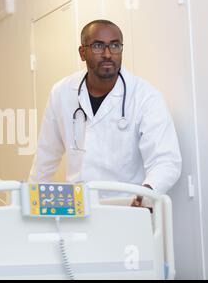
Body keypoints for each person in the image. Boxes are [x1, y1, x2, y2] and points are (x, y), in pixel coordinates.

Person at [29, 20, 182, 206]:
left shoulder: (146, 97)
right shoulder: (61, 92)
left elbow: (166, 160)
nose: (108, 54)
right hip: (80, 207)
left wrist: (146, 193)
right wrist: (33, 201)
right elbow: (46, 154)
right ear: (82, 53)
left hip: (128, 206)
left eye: (115, 45)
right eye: (98, 46)